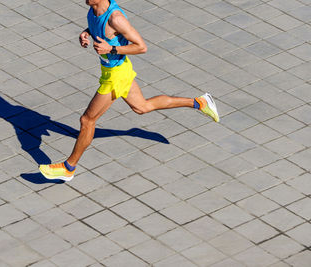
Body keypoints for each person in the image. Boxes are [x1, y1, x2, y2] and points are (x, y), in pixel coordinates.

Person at [39, 0, 219, 181]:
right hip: (116, 70)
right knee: (142, 107)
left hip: (116, 75)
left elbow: (141, 46)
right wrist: (86, 33)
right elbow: (98, 27)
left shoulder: (116, 18)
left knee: (87, 120)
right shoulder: (93, 10)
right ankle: (200, 102)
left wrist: (112, 48)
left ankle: (69, 167)